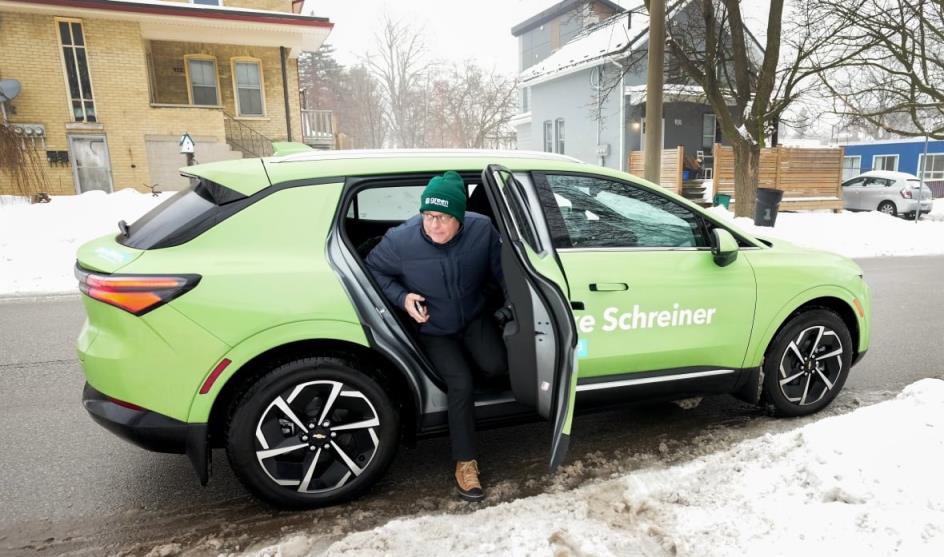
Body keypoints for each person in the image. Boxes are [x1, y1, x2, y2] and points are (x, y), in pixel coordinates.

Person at [366, 170, 508, 502]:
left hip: (474, 318)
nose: (433, 225)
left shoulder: (482, 230)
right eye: (428, 215)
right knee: (461, 384)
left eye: (442, 217)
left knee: (497, 367)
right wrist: (403, 298)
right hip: (434, 328)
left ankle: (468, 365)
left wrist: (498, 304)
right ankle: (465, 462)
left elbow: (500, 274)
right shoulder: (400, 240)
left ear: (459, 217)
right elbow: (373, 269)